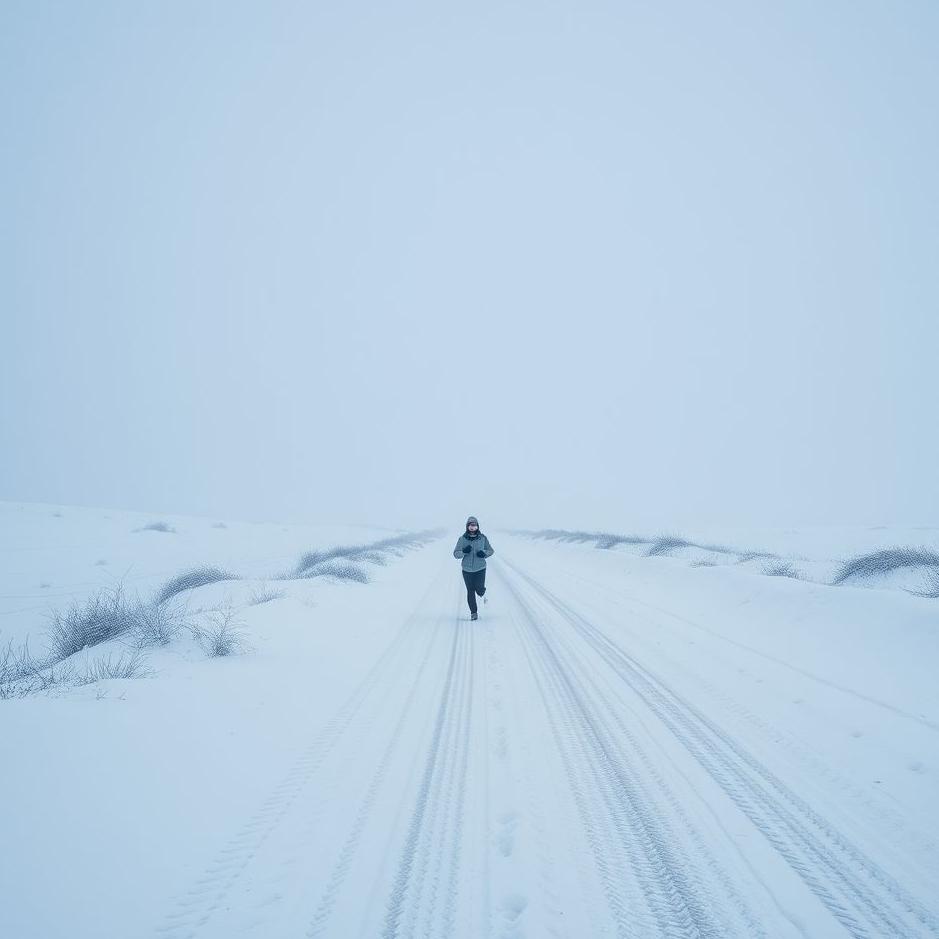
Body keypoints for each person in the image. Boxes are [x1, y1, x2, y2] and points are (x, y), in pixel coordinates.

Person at [453, 516, 494, 620]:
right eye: (470, 525)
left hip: (480, 568)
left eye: (474, 525)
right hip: (466, 570)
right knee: (470, 591)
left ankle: (481, 592)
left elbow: (491, 550)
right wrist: (463, 552)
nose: (472, 527)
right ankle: (474, 613)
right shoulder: (462, 539)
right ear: (467, 527)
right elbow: (456, 554)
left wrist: (483, 553)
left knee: (479, 589)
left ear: (477, 526)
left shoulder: (483, 538)